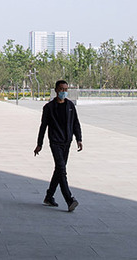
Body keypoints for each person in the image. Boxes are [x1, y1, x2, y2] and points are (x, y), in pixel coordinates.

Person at [34, 79, 82, 212]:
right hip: (55, 142)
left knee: (59, 170)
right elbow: (43, 127)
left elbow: (75, 124)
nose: (63, 92)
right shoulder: (49, 108)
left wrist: (79, 139)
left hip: (67, 142)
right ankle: (69, 199)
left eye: (66, 90)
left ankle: (49, 197)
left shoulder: (70, 106)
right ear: (56, 90)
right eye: (61, 89)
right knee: (62, 169)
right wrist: (39, 144)